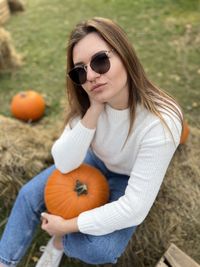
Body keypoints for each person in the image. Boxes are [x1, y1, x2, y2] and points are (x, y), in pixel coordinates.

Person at [0, 17, 183, 267]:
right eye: (80, 70)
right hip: (95, 159)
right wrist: (94, 110)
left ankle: (59, 243)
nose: (92, 76)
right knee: (28, 195)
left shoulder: (161, 121)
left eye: (100, 61)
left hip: (126, 177)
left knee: (100, 250)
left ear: (124, 55)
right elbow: (64, 163)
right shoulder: (89, 101)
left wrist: (66, 227)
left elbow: (135, 208)